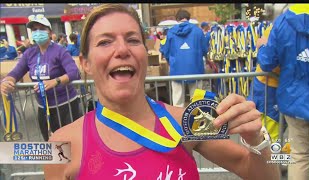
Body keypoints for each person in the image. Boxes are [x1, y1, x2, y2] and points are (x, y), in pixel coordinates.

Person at [43, 4, 280, 179]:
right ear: (85, 63)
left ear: (145, 54)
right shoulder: (61, 143)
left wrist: (256, 140)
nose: (122, 49)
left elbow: (261, 174)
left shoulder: (187, 122)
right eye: (105, 42)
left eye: (133, 40)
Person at [257, 4, 309, 180]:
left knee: (298, 156)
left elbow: (268, 62)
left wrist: (262, 46)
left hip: (293, 101)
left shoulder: (283, 21)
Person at [0, 14, 81, 141]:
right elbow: (15, 73)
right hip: (43, 107)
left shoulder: (60, 51)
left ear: (50, 32)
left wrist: (56, 81)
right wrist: (7, 81)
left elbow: (74, 72)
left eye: (41, 29)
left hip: (66, 106)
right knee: (51, 145)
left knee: (73, 144)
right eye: (34, 30)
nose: (38, 32)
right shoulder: (29, 53)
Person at [160, 9, 208, 107]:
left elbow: (165, 50)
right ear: (188, 18)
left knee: (177, 100)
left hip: (176, 69)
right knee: (196, 100)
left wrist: (170, 61)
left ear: (177, 19)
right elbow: (204, 49)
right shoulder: (198, 31)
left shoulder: (171, 32)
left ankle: (177, 120)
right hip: (195, 69)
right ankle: (196, 119)